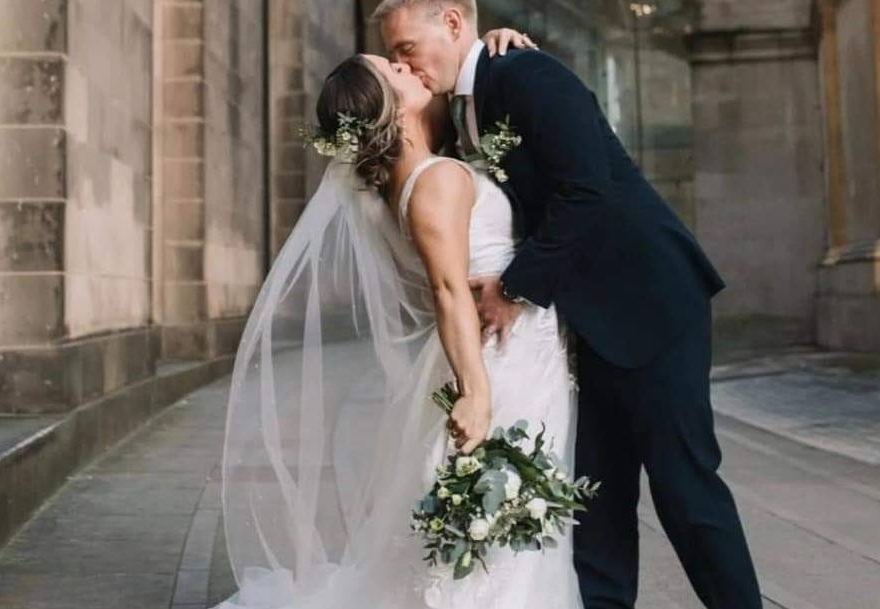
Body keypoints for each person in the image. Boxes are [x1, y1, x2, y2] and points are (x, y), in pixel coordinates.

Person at [376, 1, 763, 608]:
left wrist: (511, 288)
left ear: (452, 23)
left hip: (649, 302)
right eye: (395, 57)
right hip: (584, 324)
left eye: (406, 49)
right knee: (598, 500)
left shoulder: (531, 76)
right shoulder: (463, 106)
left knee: (685, 488)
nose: (406, 64)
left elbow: (588, 189)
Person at [213, 23, 578, 609]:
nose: (404, 66)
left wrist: (498, 38)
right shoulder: (435, 181)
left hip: (514, 350)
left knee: (508, 520)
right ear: (387, 106)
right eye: (393, 70)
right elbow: (447, 290)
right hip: (496, 359)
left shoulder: (417, 177)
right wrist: (476, 392)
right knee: (503, 523)